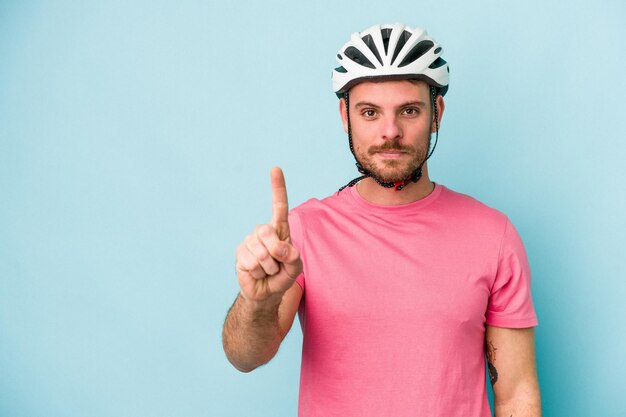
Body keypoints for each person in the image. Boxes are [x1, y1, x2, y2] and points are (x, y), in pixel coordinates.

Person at [222, 23, 541, 417]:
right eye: (370, 112)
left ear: (436, 113)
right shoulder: (303, 233)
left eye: (409, 110)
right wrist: (257, 301)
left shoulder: (494, 236)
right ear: (346, 116)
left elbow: (516, 394)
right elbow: (246, 356)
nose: (390, 133)